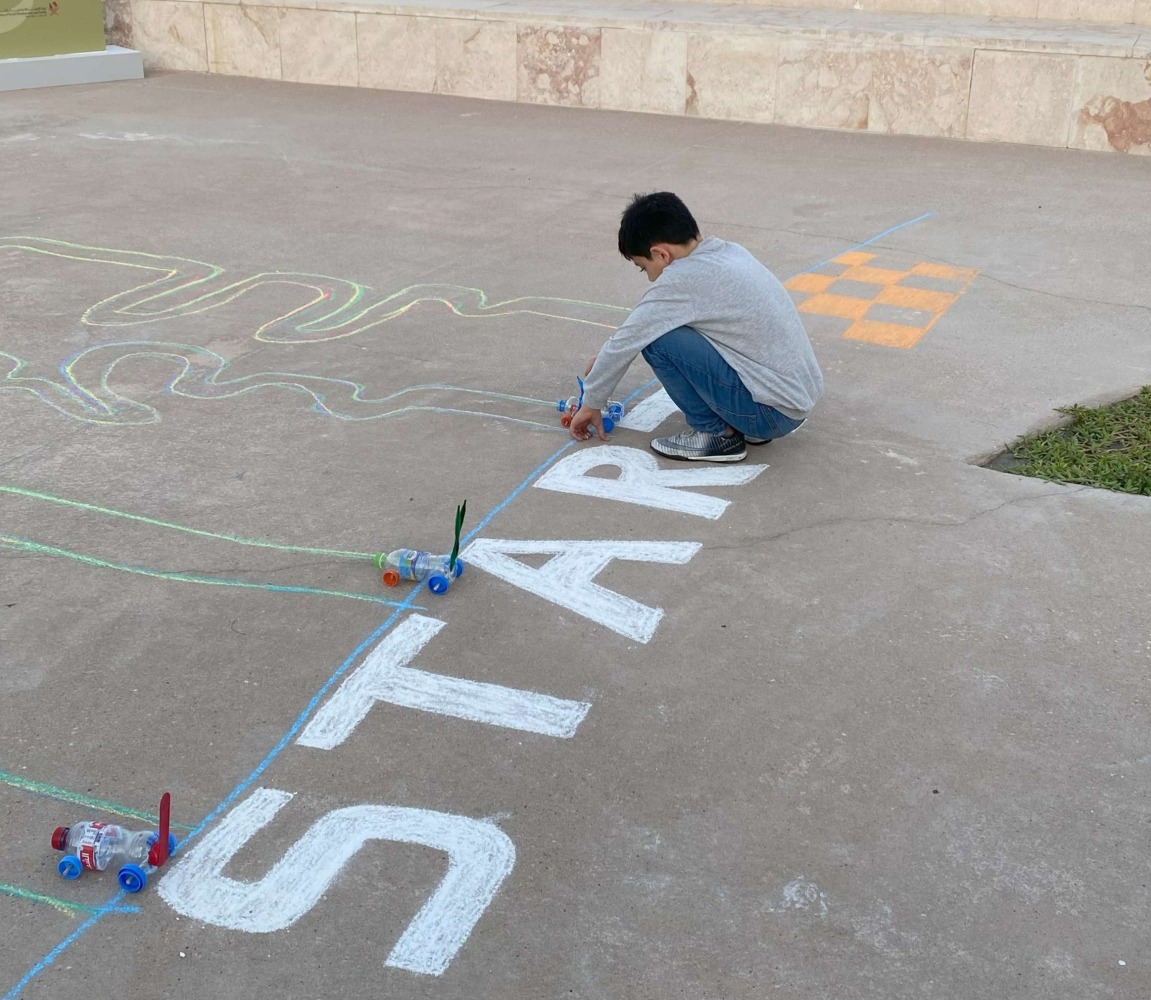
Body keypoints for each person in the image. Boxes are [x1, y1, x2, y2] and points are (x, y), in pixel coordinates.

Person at [570, 192, 823, 462]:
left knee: (657, 340)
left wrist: (592, 402)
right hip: (794, 401)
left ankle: (715, 434)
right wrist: (605, 361)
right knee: (671, 327)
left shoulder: (682, 280)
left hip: (770, 414)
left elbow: (630, 338)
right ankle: (747, 423)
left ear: (660, 254)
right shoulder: (729, 252)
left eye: (644, 268)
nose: (651, 277)